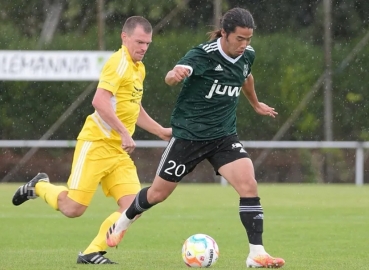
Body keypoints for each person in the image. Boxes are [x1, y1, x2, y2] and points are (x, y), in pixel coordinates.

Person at [106, 8, 285, 269]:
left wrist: (256, 104)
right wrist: (173, 76)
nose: (244, 45)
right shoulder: (202, 54)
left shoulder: (247, 56)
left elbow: (246, 77)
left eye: (249, 40)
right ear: (224, 33)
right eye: (239, 39)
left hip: (223, 136)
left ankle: (256, 253)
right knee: (157, 194)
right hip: (189, 136)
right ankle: (124, 221)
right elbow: (172, 75)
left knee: (249, 184)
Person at [11, 16, 171, 264]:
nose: (144, 48)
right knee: (73, 209)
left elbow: (133, 107)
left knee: (134, 207)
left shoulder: (139, 68)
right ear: (124, 37)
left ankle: (91, 252)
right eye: (139, 42)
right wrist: (124, 132)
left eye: (148, 43)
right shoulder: (118, 63)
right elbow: (99, 101)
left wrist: (160, 130)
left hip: (118, 152)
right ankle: (38, 187)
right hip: (96, 144)